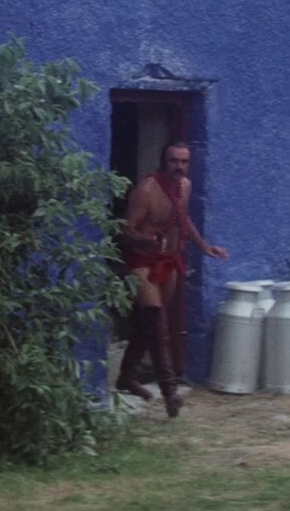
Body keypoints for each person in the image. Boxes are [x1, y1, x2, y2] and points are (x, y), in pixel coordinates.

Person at [115, 141, 227, 417]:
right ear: (164, 160)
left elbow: (182, 218)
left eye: (183, 161)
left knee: (146, 324)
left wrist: (204, 246)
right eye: (174, 160)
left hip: (169, 262)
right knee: (156, 321)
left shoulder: (185, 187)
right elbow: (124, 230)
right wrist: (148, 241)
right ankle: (170, 393)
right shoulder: (147, 190)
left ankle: (126, 377)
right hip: (143, 263)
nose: (178, 166)